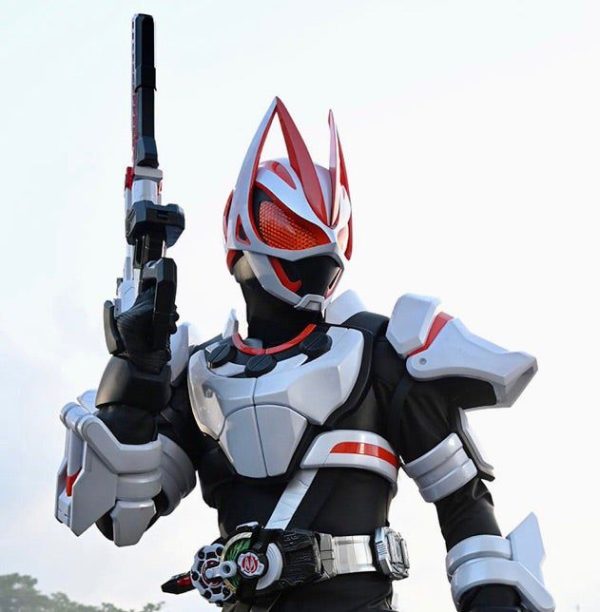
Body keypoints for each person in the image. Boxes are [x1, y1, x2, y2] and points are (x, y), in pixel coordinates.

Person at [56, 97, 554, 612]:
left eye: (322, 231)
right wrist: (134, 378)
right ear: (245, 229)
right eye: (287, 227)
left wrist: (491, 598)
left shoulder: (383, 354)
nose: (314, 248)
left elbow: (463, 503)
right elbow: (121, 518)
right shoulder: (198, 375)